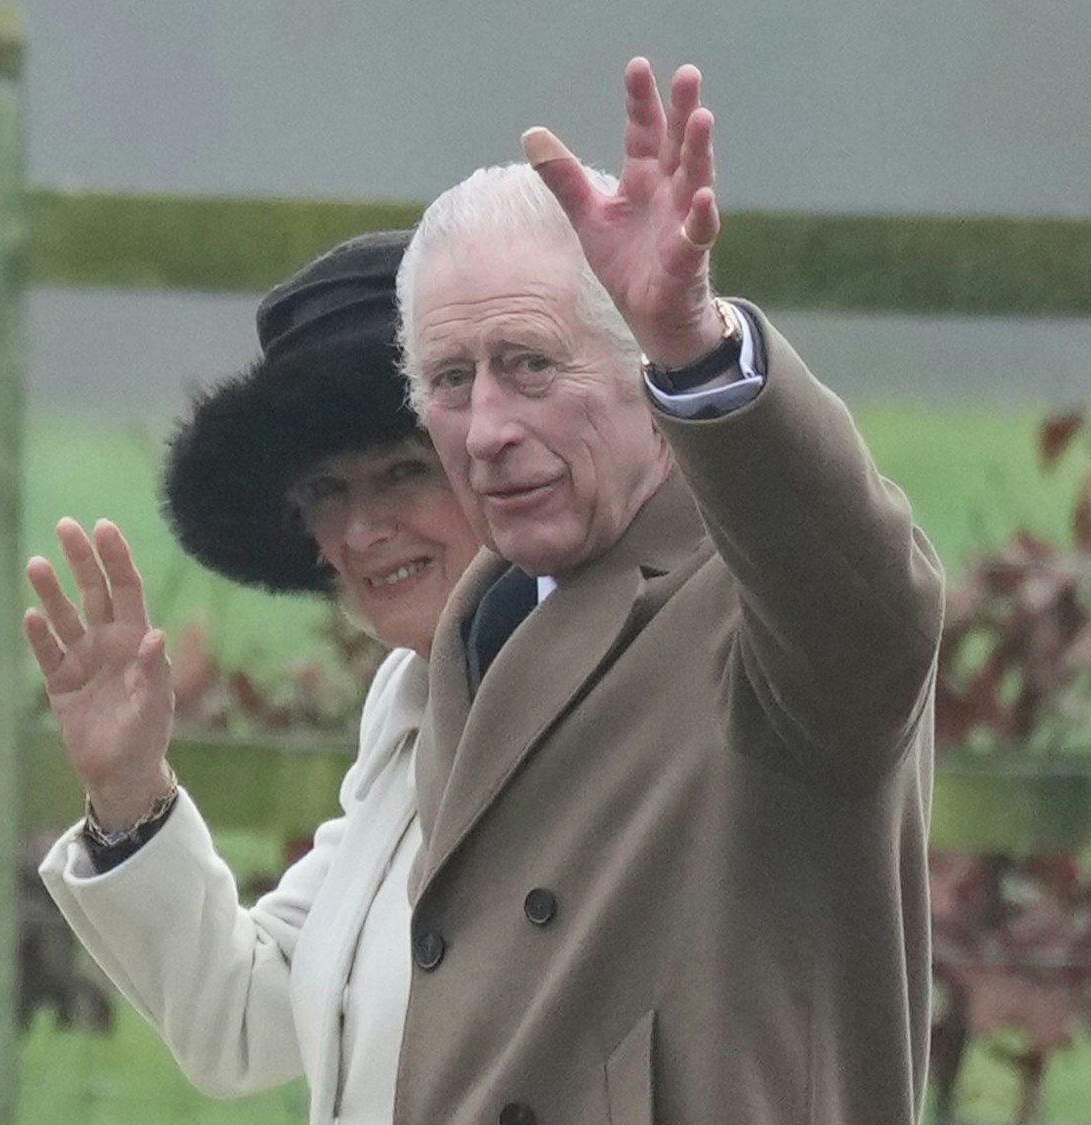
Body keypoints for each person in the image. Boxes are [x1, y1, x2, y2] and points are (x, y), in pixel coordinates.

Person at [389, 61, 946, 1124]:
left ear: (638, 381)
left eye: (529, 365)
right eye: (450, 380)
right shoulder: (487, 614)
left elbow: (873, 612)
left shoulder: (757, 610)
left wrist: (695, 350)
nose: (488, 428)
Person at [25, 231, 479, 1125]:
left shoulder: (620, 679)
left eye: (403, 471)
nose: (361, 529)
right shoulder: (410, 700)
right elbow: (246, 1015)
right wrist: (127, 790)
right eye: (326, 493)